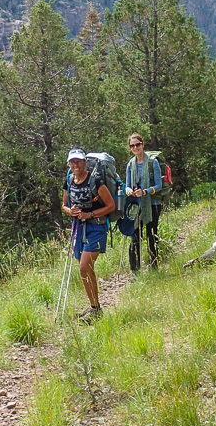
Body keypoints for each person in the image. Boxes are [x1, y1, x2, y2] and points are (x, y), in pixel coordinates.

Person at [62, 148, 115, 322]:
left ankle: (95, 310)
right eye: (72, 162)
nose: (75, 165)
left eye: (78, 161)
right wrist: (71, 211)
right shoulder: (69, 180)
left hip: (97, 227)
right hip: (79, 227)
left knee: (84, 266)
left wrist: (89, 215)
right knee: (86, 269)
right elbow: (64, 205)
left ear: (85, 162)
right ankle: (95, 307)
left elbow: (110, 206)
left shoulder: (95, 181)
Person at [125, 133, 162, 271]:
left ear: (142, 144)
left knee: (151, 235)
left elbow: (159, 185)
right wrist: (130, 191)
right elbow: (127, 185)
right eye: (132, 145)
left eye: (137, 144)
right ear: (130, 148)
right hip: (136, 205)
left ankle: (154, 267)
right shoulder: (130, 164)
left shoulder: (153, 162)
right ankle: (135, 270)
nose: (135, 147)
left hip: (153, 204)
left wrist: (145, 191)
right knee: (135, 237)